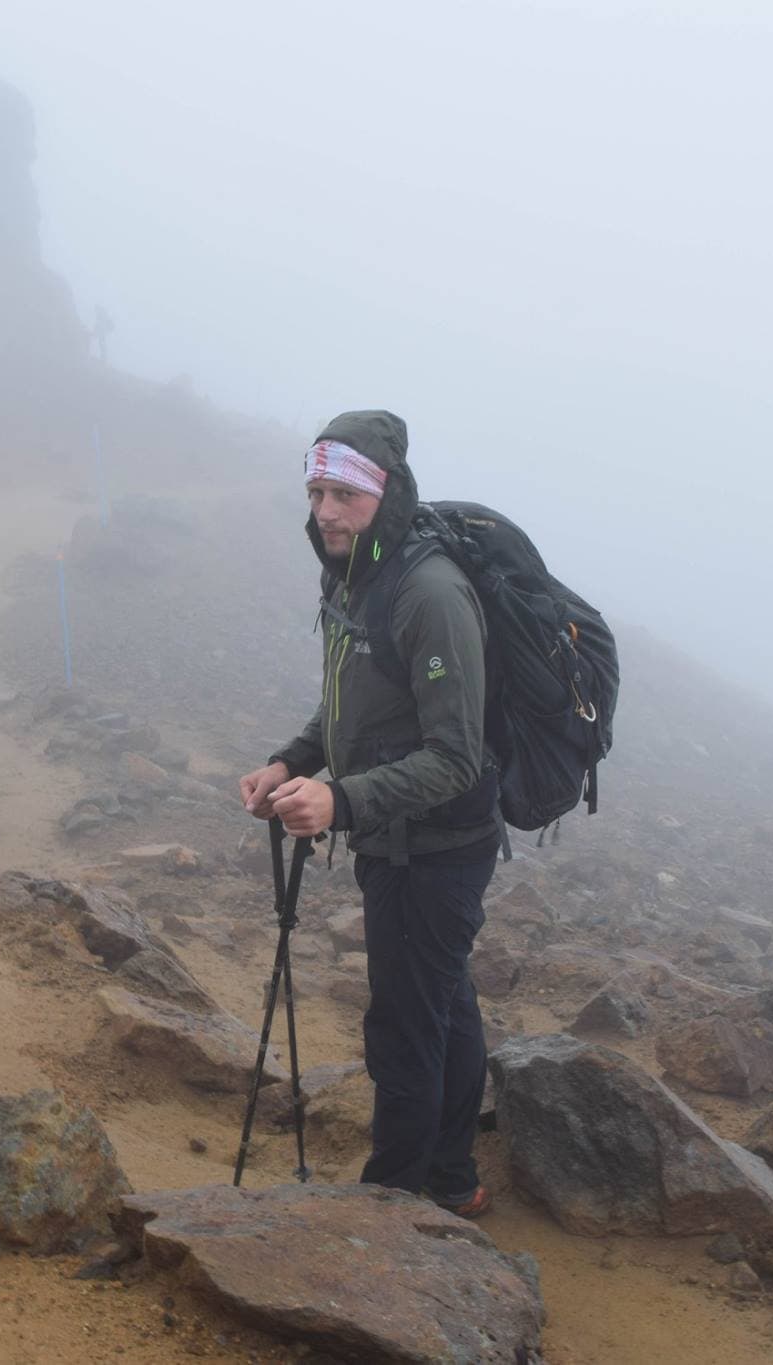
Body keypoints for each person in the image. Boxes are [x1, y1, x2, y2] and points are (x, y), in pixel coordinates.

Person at [239, 410, 499, 1218]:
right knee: (442, 1003)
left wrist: (341, 799)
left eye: (343, 492)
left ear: (382, 493)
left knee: (403, 1033)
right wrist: (294, 760)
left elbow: (454, 755)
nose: (325, 510)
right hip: (397, 836)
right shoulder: (353, 573)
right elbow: (353, 706)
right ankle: (454, 1181)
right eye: (316, 489)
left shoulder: (430, 594)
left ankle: (389, 1212)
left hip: (437, 847)